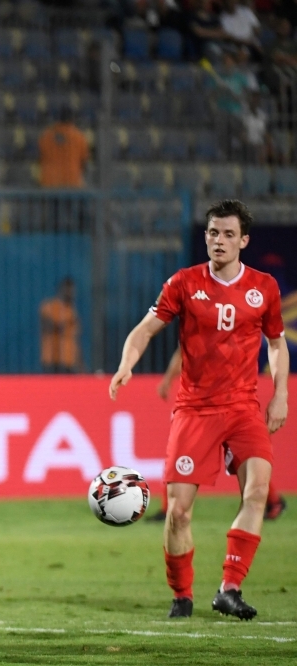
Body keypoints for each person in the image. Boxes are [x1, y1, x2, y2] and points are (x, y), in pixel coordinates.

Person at [110, 199, 288, 620]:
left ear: (244, 241)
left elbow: (276, 342)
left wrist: (280, 394)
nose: (219, 241)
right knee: (178, 512)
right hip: (195, 410)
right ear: (205, 237)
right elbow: (145, 330)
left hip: (243, 407)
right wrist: (126, 364)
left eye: (228, 234)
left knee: (257, 491)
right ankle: (182, 595)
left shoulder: (264, 287)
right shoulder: (184, 283)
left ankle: (230, 587)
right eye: (213, 233)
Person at [153, 347, 287, 522]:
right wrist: (168, 380)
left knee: (242, 456)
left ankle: (273, 500)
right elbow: (183, 352)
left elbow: (275, 344)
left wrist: (167, 380)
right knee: (181, 453)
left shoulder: (227, 337)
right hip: (199, 401)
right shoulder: (198, 335)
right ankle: (273, 501)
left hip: (226, 404)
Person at [38, 106, 89, 188]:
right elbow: (84, 162)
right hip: (72, 182)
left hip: (50, 183)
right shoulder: (79, 136)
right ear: (72, 119)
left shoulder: (46, 136)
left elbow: (40, 157)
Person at [40, 277, 82, 373]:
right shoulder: (49, 307)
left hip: (69, 360)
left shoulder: (71, 311)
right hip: (51, 360)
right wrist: (64, 324)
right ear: (62, 290)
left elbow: (75, 338)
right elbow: (46, 325)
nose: (72, 294)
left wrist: (80, 363)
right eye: (69, 291)